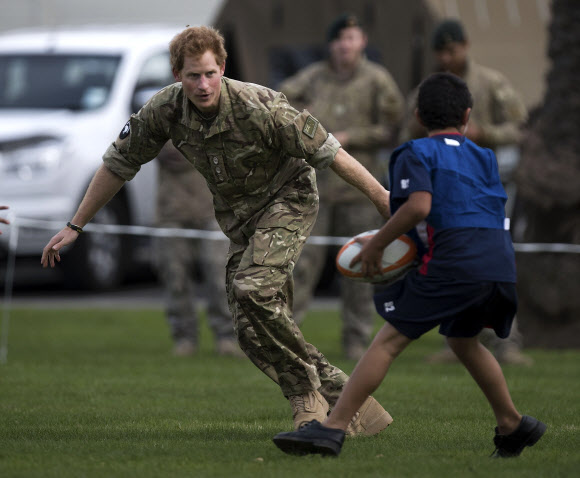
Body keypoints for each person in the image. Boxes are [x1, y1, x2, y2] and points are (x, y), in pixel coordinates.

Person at [41, 26, 394, 434]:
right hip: (240, 218)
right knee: (248, 328)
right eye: (193, 75)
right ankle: (355, 405)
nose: (203, 84)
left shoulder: (260, 105)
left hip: (288, 199)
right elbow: (118, 164)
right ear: (177, 75)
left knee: (252, 289)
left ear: (222, 68)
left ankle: (307, 398)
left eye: (210, 73)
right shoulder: (165, 109)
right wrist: (75, 225)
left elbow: (331, 151)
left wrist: (380, 196)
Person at [273, 72, 546, 458]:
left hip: (454, 264)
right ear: (467, 115)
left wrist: (377, 247)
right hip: (499, 264)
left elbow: (419, 206)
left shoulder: (414, 153)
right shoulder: (484, 156)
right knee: (463, 340)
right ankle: (512, 424)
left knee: (388, 341)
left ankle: (332, 429)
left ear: (417, 116)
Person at [400, 18, 532, 366]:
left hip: (487, 185)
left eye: (451, 50)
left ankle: (508, 343)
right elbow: (405, 132)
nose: (445, 57)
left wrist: (483, 133)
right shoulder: (426, 89)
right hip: (445, 191)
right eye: (440, 51)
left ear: (465, 46)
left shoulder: (491, 83)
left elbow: (519, 129)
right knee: (452, 258)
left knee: (494, 257)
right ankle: (457, 340)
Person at [280, 14, 404, 360]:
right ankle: (290, 337)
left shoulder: (378, 80)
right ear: (331, 44)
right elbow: (279, 102)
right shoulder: (313, 78)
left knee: (361, 266)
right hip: (315, 188)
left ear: (362, 40)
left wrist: (353, 137)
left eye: (350, 38)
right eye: (338, 39)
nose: (344, 45)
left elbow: (394, 128)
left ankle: (355, 338)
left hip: (360, 190)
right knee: (302, 265)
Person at [155, 141, 242, 358]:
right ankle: (184, 337)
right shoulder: (162, 113)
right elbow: (156, 150)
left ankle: (227, 337)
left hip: (213, 207)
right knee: (175, 275)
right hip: (171, 209)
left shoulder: (215, 112)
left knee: (219, 273)